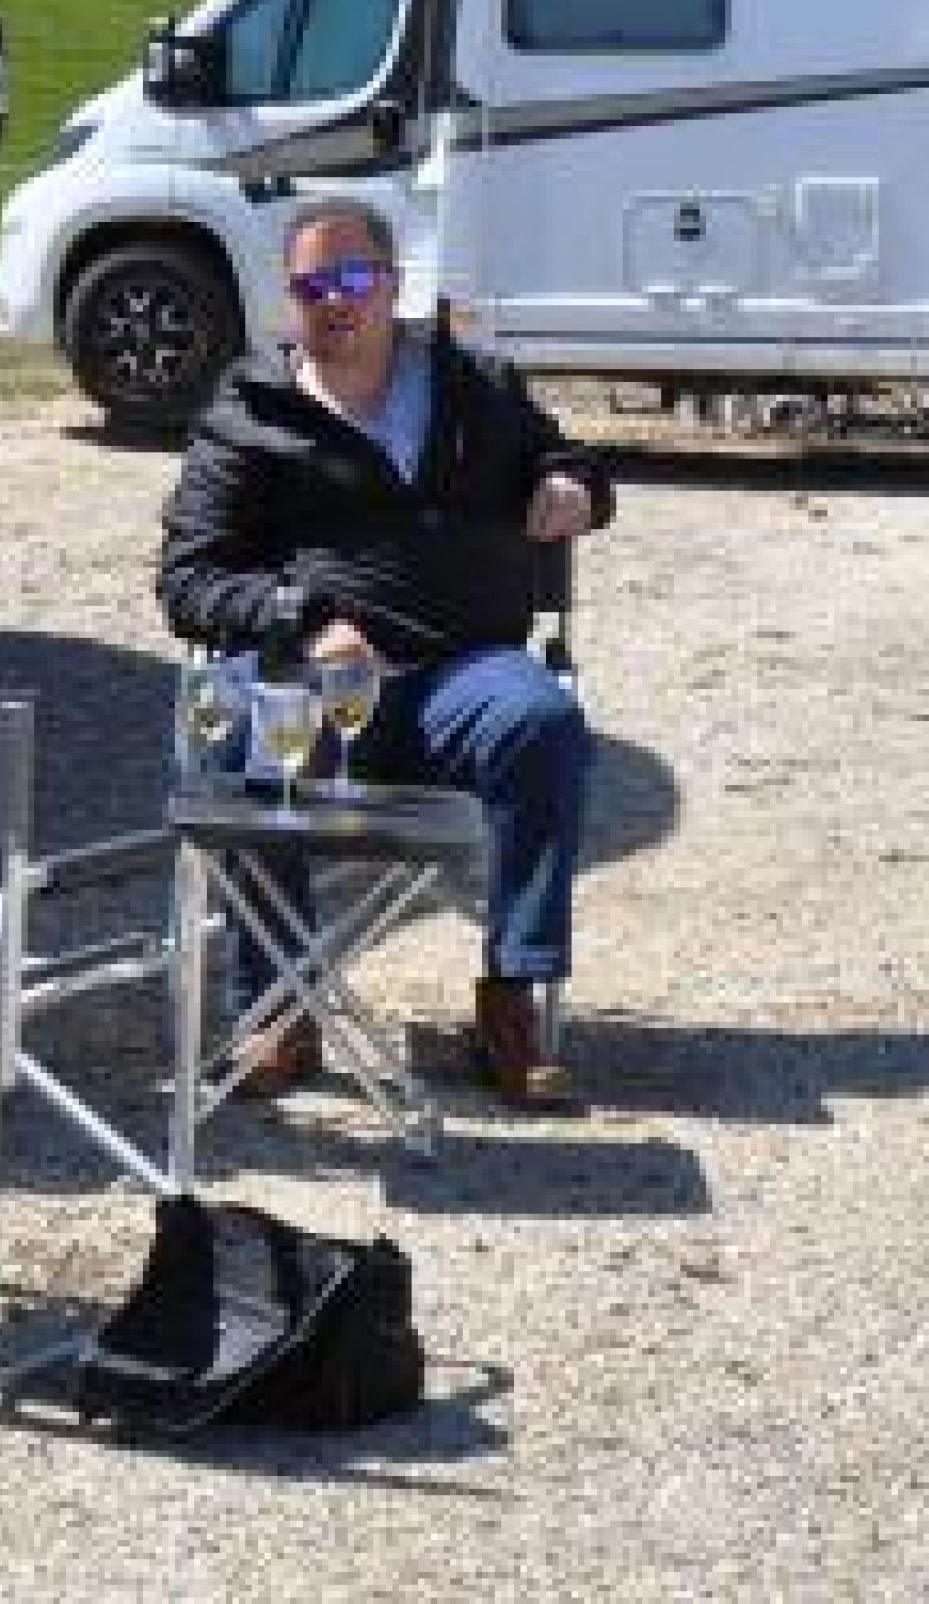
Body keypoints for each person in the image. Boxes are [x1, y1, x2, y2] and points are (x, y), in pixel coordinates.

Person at [157, 196, 607, 1112]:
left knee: (543, 719)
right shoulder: (250, 412)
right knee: (253, 734)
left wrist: (572, 488)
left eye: (354, 279)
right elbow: (188, 579)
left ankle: (512, 1000)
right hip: (313, 682)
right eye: (311, 285)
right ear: (290, 300)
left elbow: (575, 460)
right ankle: (277, 1008)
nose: (335, 302)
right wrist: (301, 617)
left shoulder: (474, 384)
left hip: (459, 675)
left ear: (394, 286)